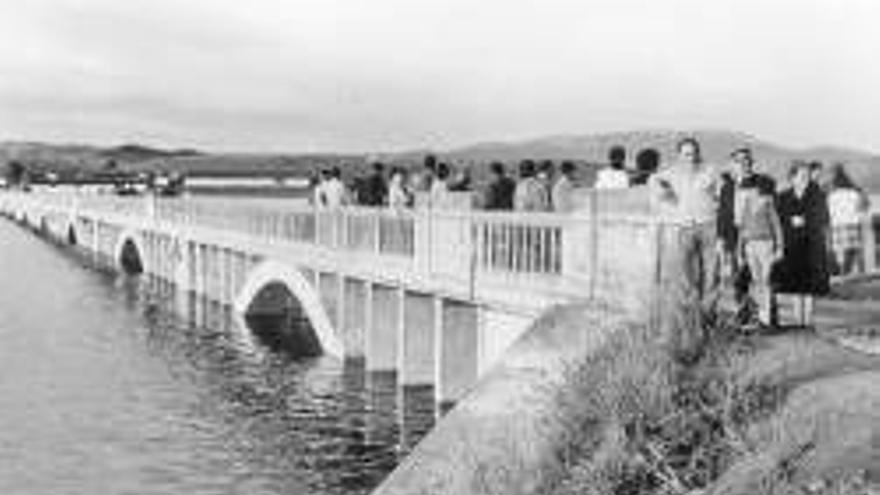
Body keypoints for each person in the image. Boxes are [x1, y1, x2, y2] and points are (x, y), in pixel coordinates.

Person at [650, 137, 722, 326]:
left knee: (711, 274)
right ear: (679, 156)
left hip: (709, 227)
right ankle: (691, 320)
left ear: (699, 153)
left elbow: (722, 194)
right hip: (684, 228)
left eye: (694, 153)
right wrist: (666, 195)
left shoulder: (710, 171)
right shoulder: (671, 174)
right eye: (687, 154)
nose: (691, 157)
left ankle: (708, 318)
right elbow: (653, 181)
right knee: (686, 276)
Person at [775, 161, 831, 328]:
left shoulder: (818, 195)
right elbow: (777, 221)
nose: (806, 179)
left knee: (809, 286)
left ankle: (808, 322)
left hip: (812, 245)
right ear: (792, 178)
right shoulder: (783, 197)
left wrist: (806, 220)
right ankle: (797, 322)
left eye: (807, 176)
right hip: (791, 245)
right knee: (794, 285)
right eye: (802, 176)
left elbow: (825, 219)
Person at [731, 148, 783, 329]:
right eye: (738, 160)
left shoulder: (762, 185)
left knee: (764, 280)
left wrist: (779, 246)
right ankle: (746, 316)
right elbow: (728, 215)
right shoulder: (729, 184)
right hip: (743, 240)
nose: (743, 164)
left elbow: (776, 221)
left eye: (746, 160)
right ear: (733, 163)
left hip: (763, 240)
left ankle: (767, 318)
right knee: (742, 281)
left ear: (752, 162)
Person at [827, 163, 870, 275]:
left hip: (836, 225)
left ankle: (843, 275)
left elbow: (827, 211)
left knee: (839, 255)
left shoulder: (831, 193)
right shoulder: (854, 191)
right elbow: (864, 206)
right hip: (852, 224)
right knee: (853, 253)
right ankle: (852, 274)